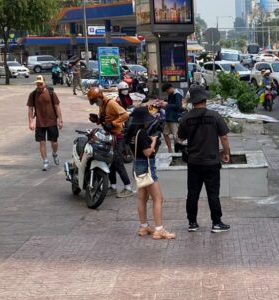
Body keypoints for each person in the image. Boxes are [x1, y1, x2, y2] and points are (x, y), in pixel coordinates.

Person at [177, 88, 232, 233]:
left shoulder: (186, 118)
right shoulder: (215, 116)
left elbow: (181, 138)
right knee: (213, 193)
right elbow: (224, 137)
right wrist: (226, 152)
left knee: (192, 193)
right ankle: (216, 223)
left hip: (194, 162)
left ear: (193, 102)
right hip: (212, 162)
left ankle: (192, 223)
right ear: (205, 100)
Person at [131, 108, 175, 240]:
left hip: (137, 165)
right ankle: (159, 229)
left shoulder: (131, 132)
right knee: (158, 198)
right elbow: (148, 152)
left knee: (142, 198)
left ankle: (144, 226)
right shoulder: (142, 133)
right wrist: (154, 141)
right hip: (147, 167)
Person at [86, 86, 135, 196]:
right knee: (110, 161)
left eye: (96, 101)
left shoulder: (111, 103)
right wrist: (97, 120)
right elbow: (105, 120)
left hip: (117, 137)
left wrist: (113, 123)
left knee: (117, 162)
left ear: (100, 96)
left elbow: (125, 115)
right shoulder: (102, 105)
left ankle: (128, 188)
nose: (96, 103)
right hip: (109, 136)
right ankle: (113, 186)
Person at [27, 75, 63, 171]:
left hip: (52, 121)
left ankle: (54, 153)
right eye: (37, 84)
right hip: (40, 123)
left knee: (54, 142)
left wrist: (60, 120)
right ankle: (45, 161)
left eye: (41, 84)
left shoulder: (51, 93)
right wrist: (31, 122)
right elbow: (30, 109)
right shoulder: (33, 94)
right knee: (42, 142)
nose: (39, 86)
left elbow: (57, 107)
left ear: (45, 83)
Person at [162, 83, 184, 153]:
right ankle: (170, 150)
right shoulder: (171, 94)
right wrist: (165, 104)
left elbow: (178, 107)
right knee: (165, 133)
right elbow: (170, 104)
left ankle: (181, 151)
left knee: (176, 137)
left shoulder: (177, 94)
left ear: (170, 88)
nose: (167, 93)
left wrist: (167, 105)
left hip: (174, 118)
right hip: (169, 118)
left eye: (167, 91)